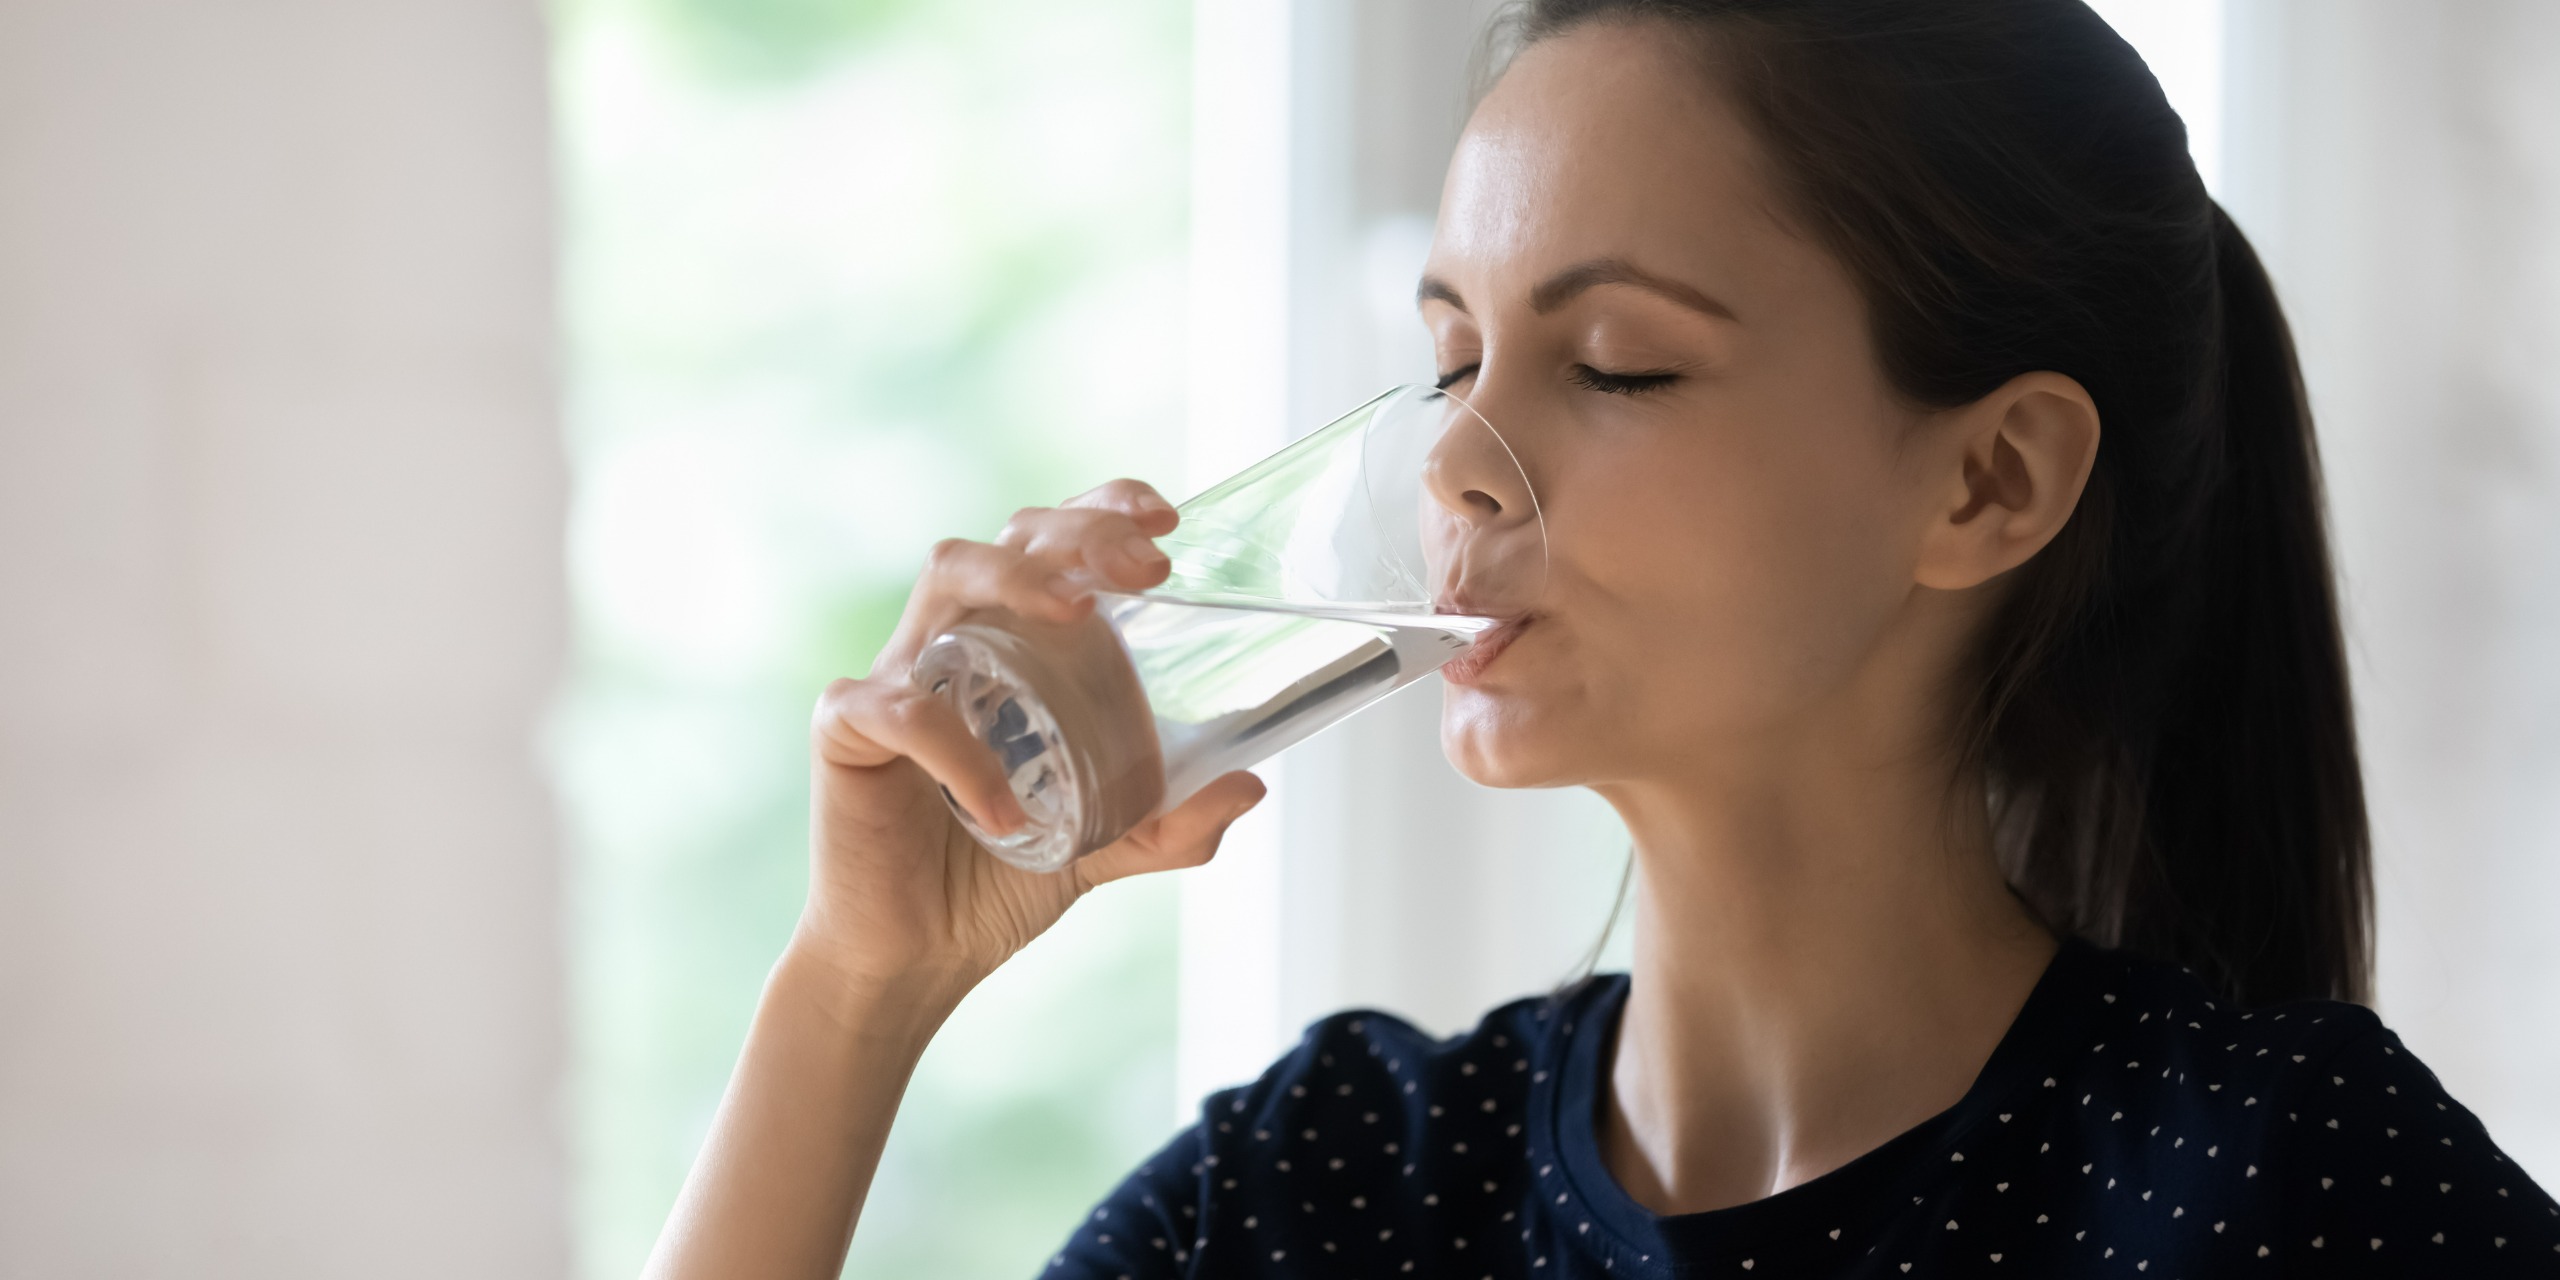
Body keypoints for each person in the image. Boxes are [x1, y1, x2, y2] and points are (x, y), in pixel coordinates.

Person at [641, 1, 2560, 1275]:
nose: (1455, 469)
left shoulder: (2275, 1193)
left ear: (1987, 483)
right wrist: (856, 993)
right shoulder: (1333, 1195)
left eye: (1616, 364)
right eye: (1451, 356)